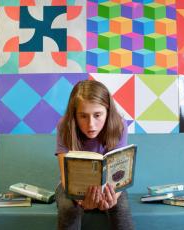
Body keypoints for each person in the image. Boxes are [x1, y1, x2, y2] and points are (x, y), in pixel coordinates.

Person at [55, 80, 134, 230]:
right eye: (83, 116)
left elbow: (120, 175)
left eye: (97, 115)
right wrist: (80, 201)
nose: (91, 124)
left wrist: (111, 199)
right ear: (74, 115)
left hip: (110, 187)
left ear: (108, 111)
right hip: (73, 186)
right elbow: (65, 176)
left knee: (121, 209)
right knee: (67, 208)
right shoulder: (64, 126)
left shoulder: (119, 125)